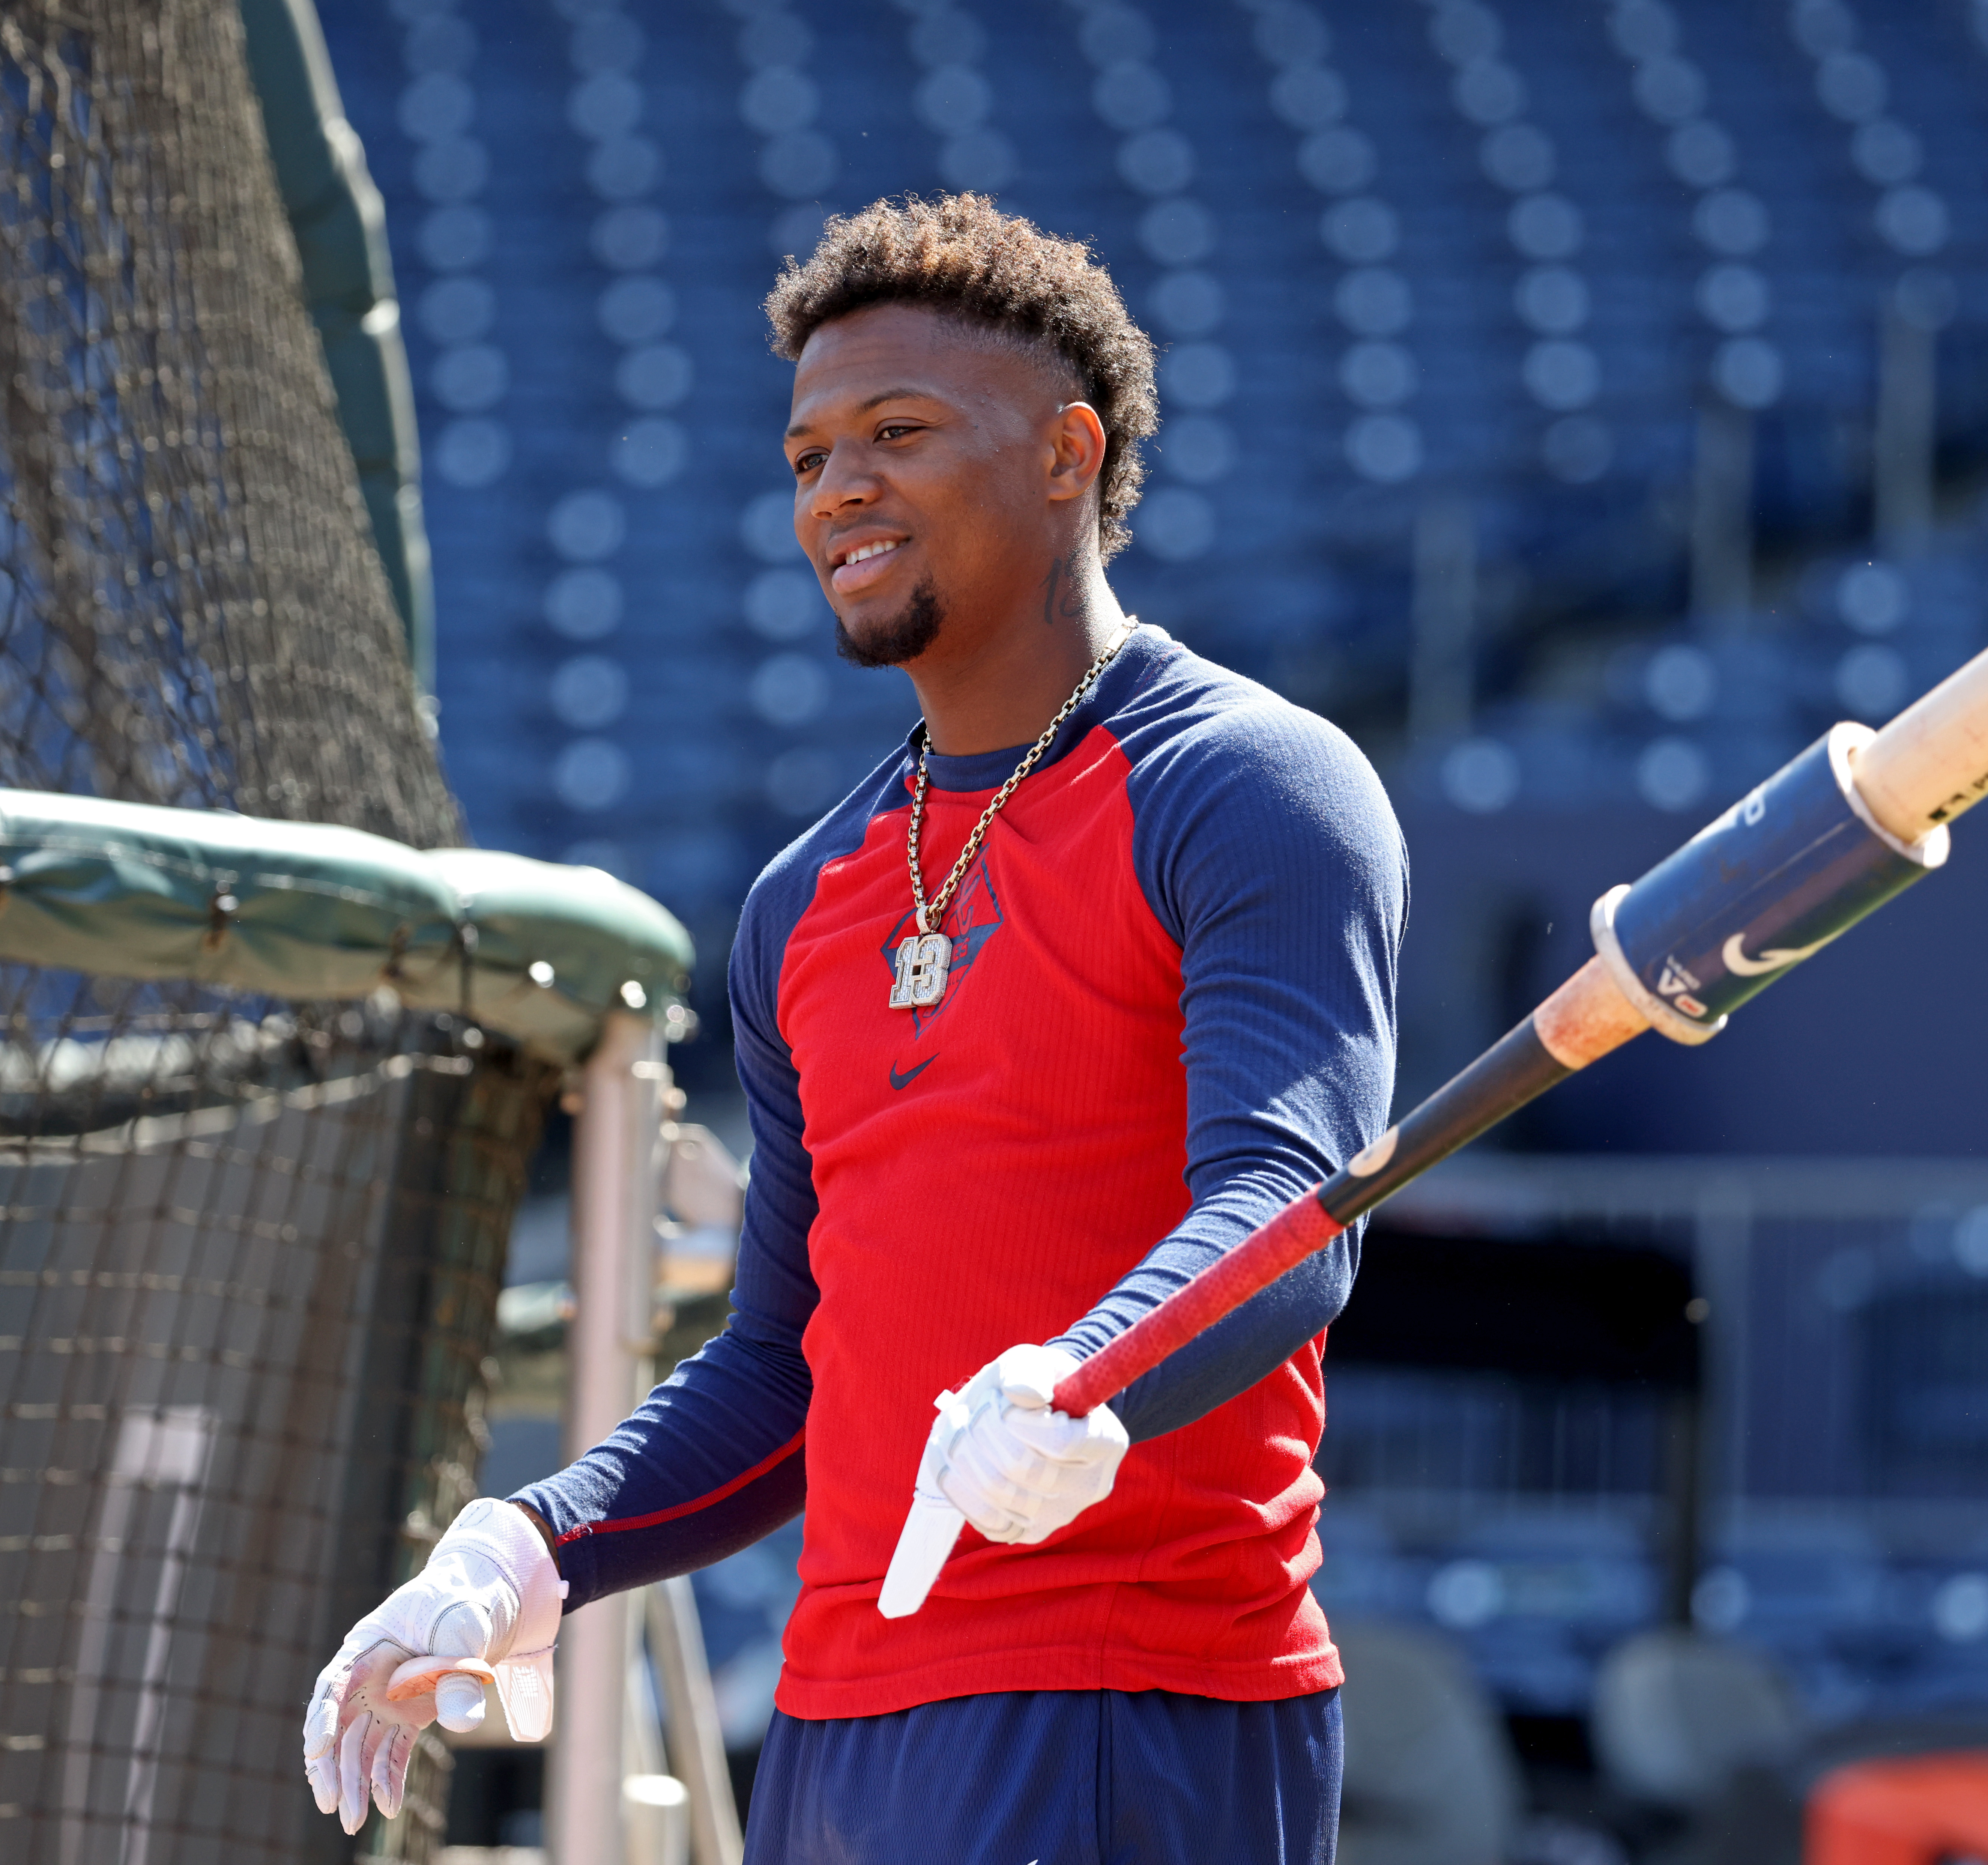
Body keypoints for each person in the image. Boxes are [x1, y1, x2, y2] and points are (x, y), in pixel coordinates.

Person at [305, 193, 1406, 1863]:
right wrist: (530, 1545)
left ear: (1066, 453)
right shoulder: (799, 898)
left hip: (1135, 1707)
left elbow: (1286, 1220)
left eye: (897, 433)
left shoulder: (1247, 785)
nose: (838, 491)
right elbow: (785, 1366)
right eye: (810, 456)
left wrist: (1082, 1376)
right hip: (834, 1735)